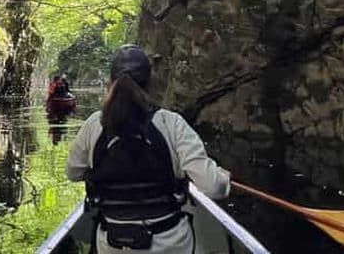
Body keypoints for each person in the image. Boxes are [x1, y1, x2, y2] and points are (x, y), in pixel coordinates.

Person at [66, 44, 230, 253]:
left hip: (112, 242)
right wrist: (222, 177)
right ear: (151, 82)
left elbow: (73, 173)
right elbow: (214, 187)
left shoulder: (93, 125)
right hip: (169, 243)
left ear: (110, 82)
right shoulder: (172, 123)